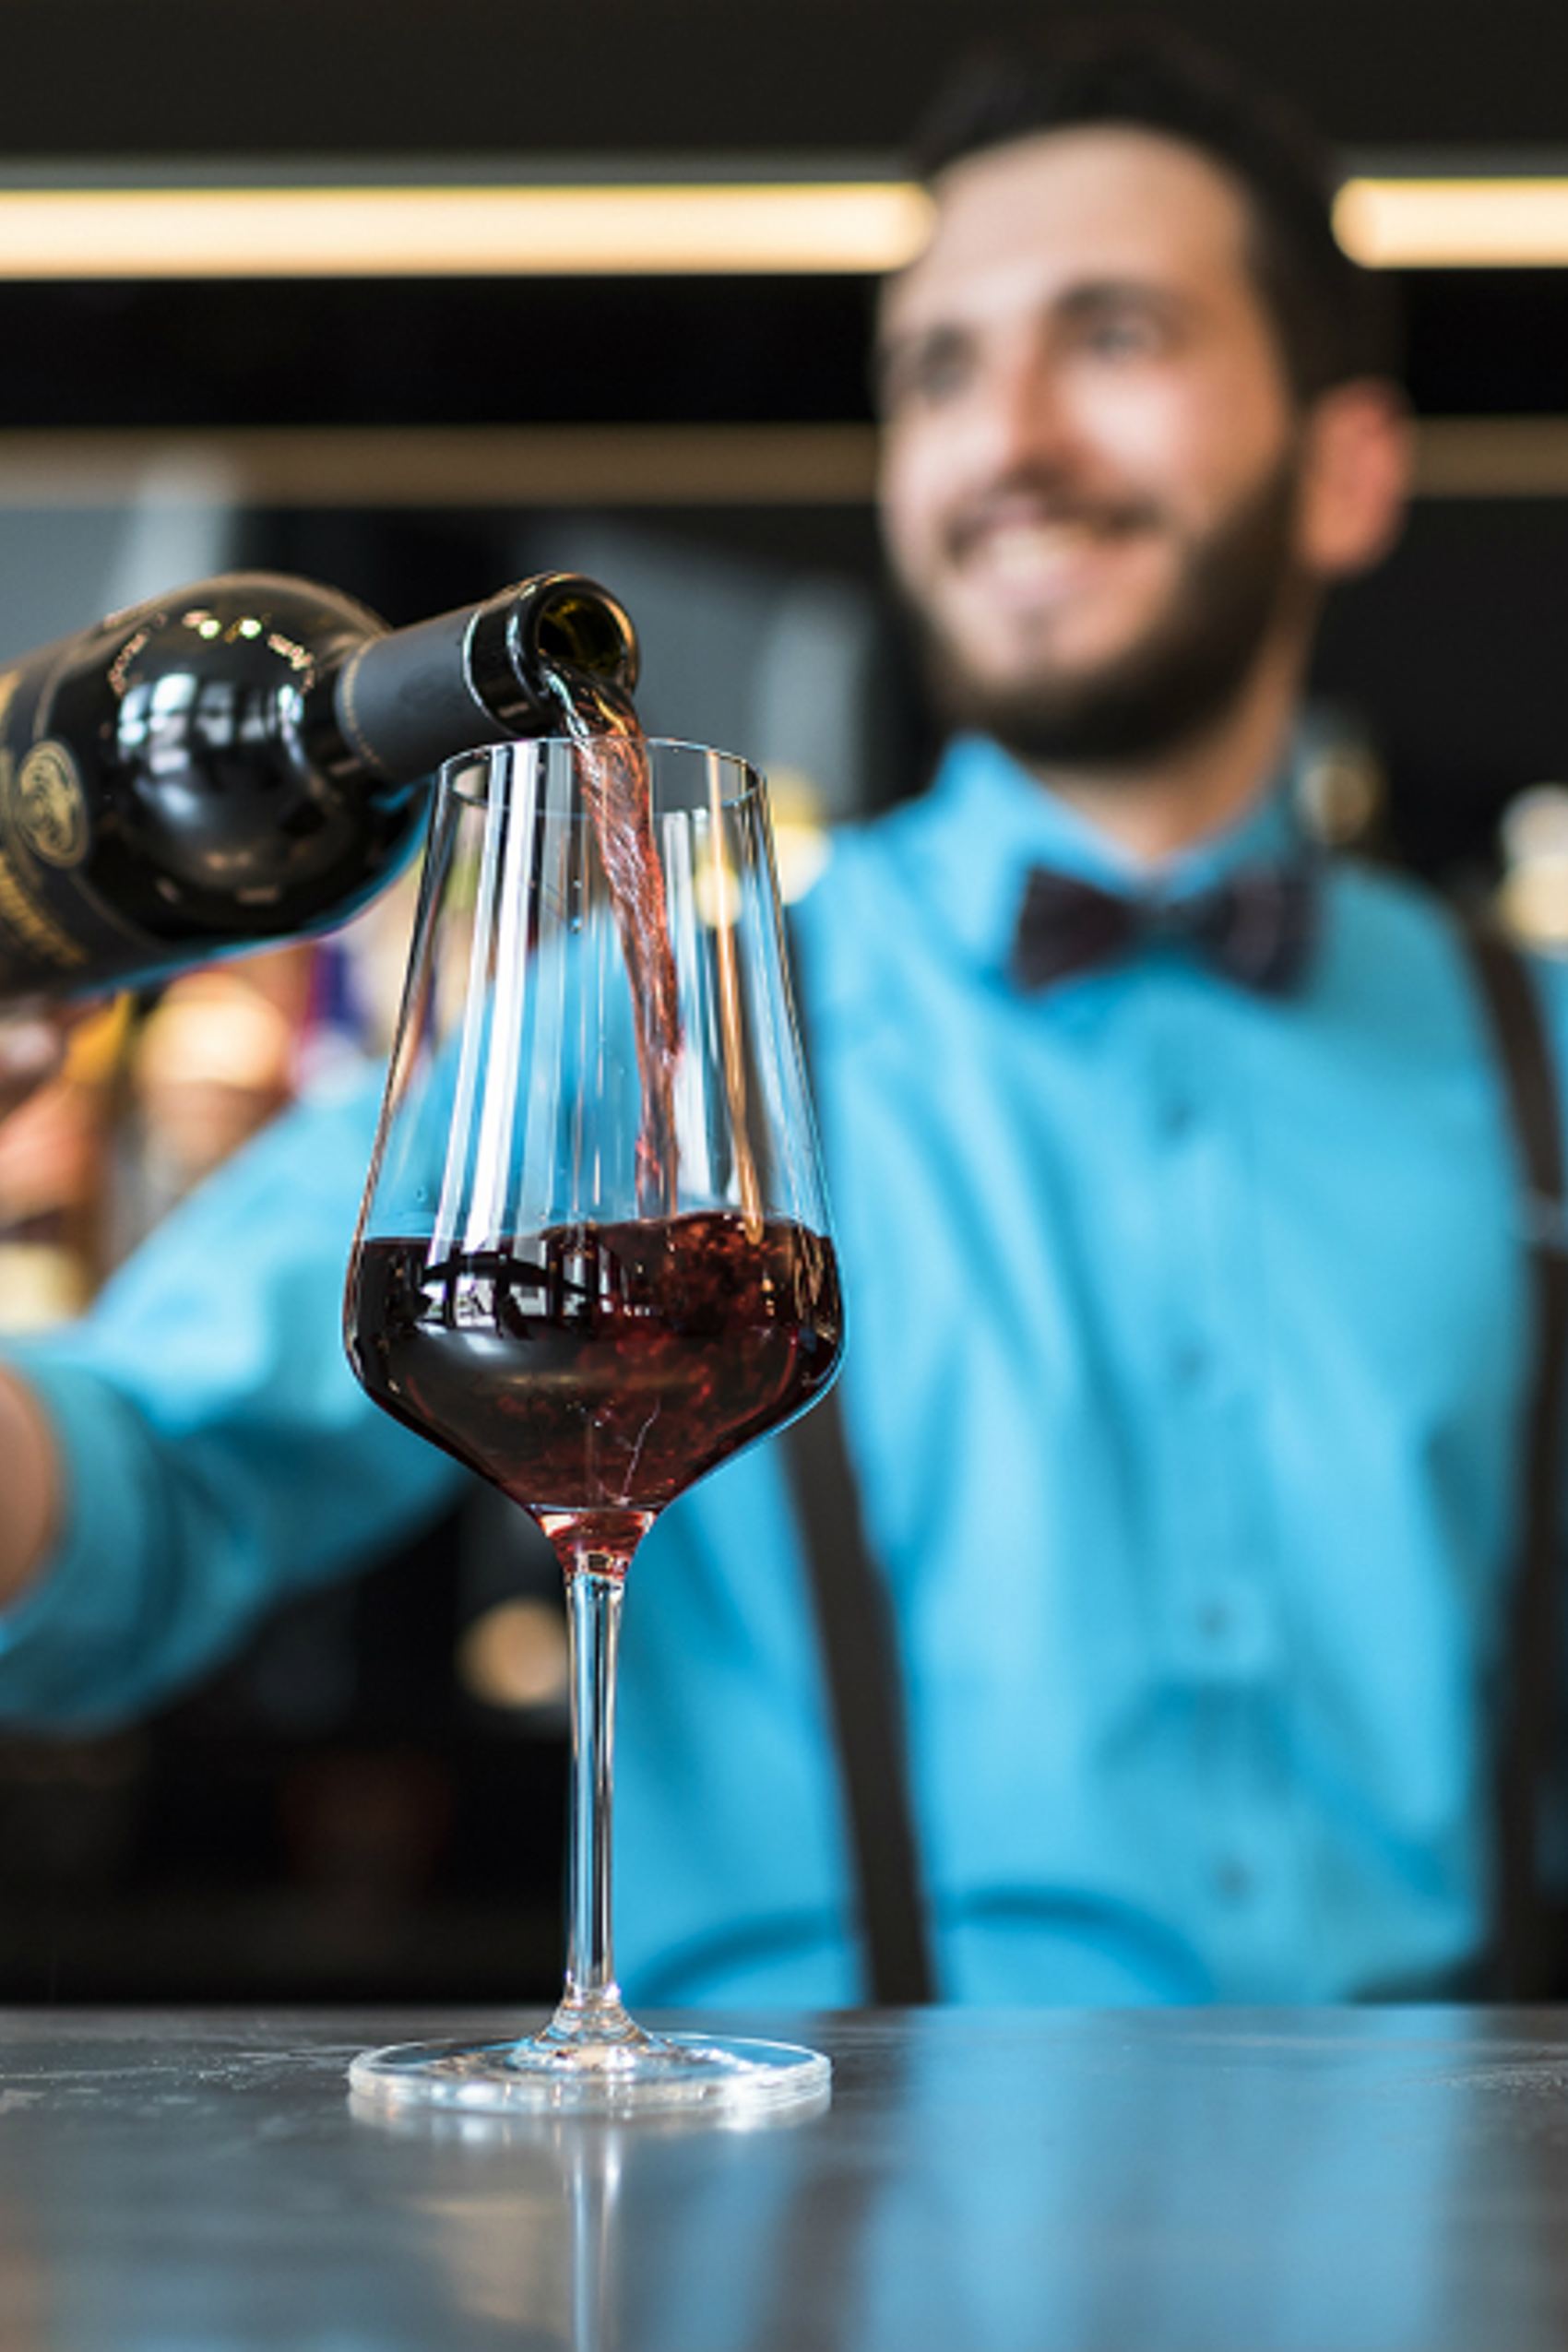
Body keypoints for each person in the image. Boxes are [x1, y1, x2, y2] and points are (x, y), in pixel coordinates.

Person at [0, 25, 1551, 2006]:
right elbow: (152, 1492)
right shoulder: (626, 1028)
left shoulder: (1542, 1061)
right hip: (808, 2262)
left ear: (1345, 467)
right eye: (938, 371)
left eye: (1115, 338)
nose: (1009, 441)